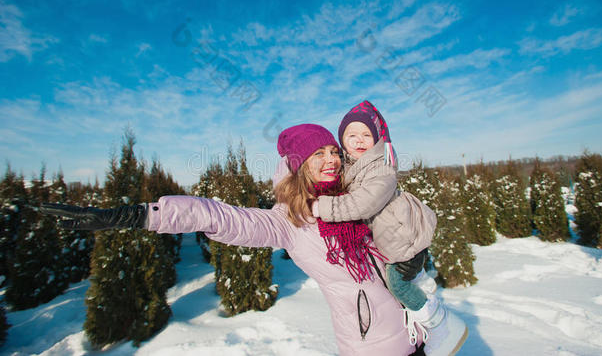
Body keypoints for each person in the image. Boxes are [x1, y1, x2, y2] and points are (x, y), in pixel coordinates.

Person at [42, 124, 425, 356]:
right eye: (317, 153)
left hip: (419, 331)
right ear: (296, 166)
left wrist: (415, 258)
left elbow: (410, 226)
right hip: (372, 346)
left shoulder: (357, 199)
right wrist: (137, 215)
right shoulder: (289, 222)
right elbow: (217, 215)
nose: (331, 159)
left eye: (332, 151)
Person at [310, 100, 467, 356]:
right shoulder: (353, 167)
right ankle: (422, 291)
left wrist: (323, 208)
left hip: (405, 242)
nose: (359, 140)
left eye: (366, 135)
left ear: (378, 139)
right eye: (352, 135)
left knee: (397, 285)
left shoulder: (381, 169)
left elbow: (363, 204)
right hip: (395, 243)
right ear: (342, 140)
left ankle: (441, 324)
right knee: (400, 281)